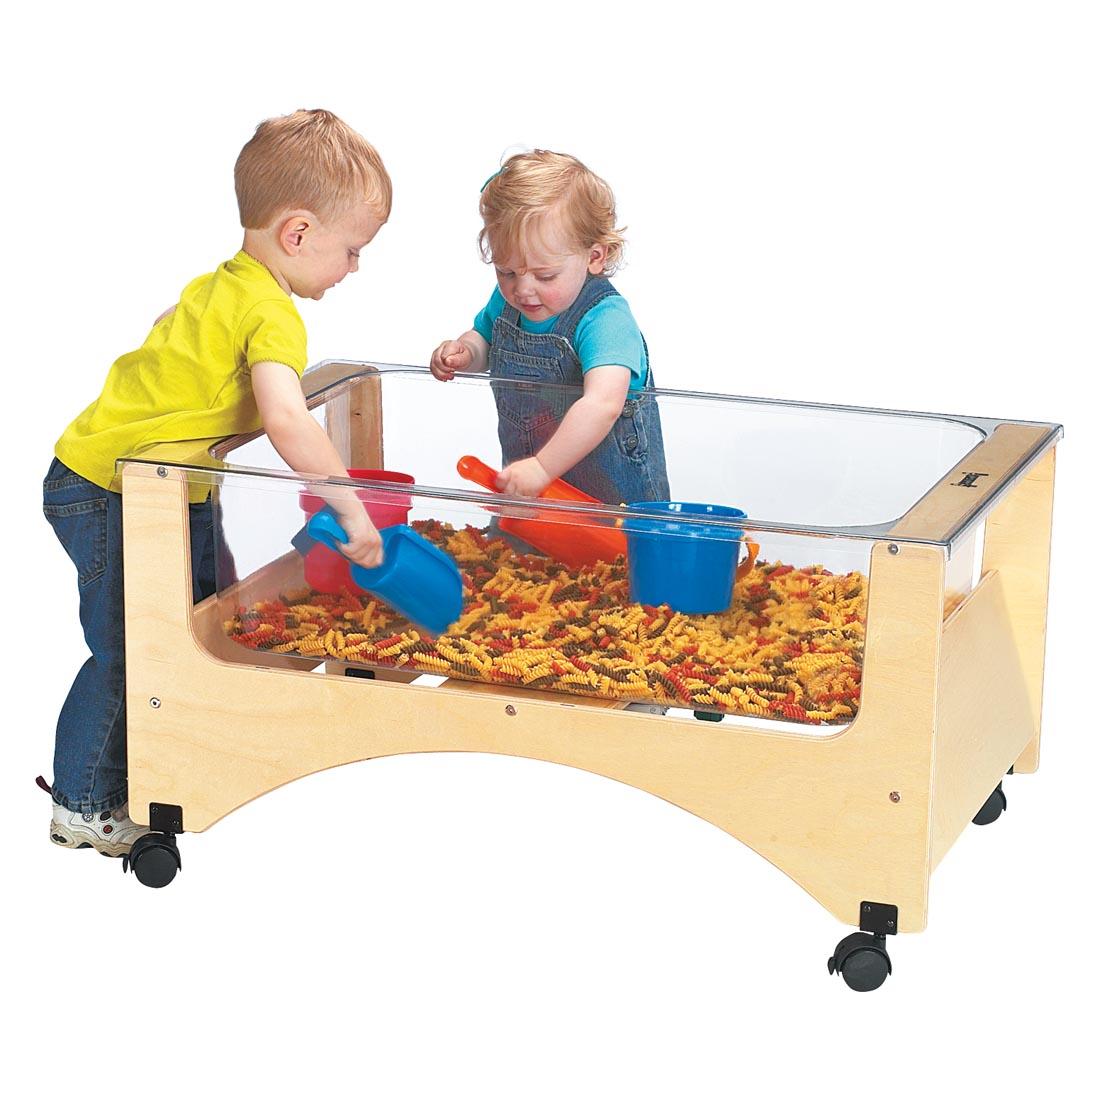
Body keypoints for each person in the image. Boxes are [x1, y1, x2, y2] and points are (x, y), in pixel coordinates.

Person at [42, 109, 390, 856]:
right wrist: (352, 510)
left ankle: (164, 760)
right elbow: (291, 423)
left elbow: (170, 328)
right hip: (113, 491)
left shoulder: (223, 284)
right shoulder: (273, 312)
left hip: (144, 484)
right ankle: (83, 802)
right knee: (135, 647)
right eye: (353, 250)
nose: (355, 266)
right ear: (298, 235)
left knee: (187, 628)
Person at [429, 149, 669, 506]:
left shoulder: (606, 320)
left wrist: (543, 468)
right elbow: (486, 340)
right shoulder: (507, 303)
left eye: (545, 275)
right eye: (507, 271)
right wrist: (467, 352)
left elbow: (603, 403)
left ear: (594, 257)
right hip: (533, 498)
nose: (523, 289)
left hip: (611, 510)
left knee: (619, 563)